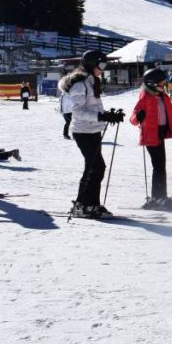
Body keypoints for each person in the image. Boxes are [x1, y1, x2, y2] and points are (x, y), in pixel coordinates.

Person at [62, 50, 124, 218]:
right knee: (96, 167)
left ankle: (88, 204)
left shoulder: (91, 82)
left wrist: (109, 115)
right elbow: (78, 112)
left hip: (92, 130)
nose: (102, 69)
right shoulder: (80, 84)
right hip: (82, 131)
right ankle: (85, 205)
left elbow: (95, 107)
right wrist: (100, 116)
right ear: (91, 64)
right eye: (101, 65)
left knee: (93, 167)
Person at [131, 69, 172, 210]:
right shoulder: (145, 97)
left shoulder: (163, 97)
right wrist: (138, 117)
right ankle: (158, 198)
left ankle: (160, 197)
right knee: (158, 167)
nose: (164, 85)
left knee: (160, 167)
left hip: (160, 134)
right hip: (150, 136)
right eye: (162, 83)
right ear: (152, 84)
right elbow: (133, 118)